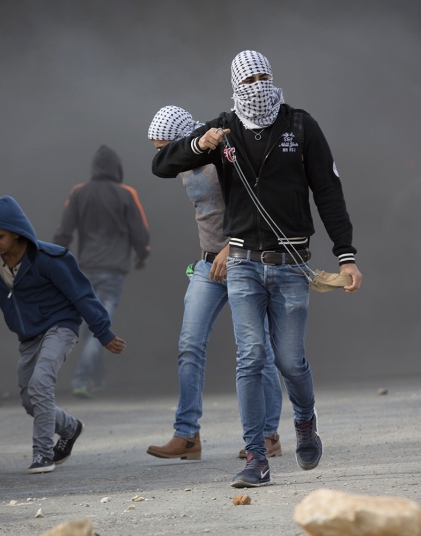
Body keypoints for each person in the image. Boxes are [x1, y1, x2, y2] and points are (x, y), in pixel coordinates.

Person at [152, 50, 363, 488]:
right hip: (244, 266)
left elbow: (328, 191)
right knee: (250, 357)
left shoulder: (301, 126)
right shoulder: (224, 129)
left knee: (290, 361)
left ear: (274, 76)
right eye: (248, 80)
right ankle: (256, 458)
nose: (257, 86)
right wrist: (198, 144)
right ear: (235, 85)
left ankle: (304, 422)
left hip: (291, 265)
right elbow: (160, 164)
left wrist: (346, 254)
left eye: (263, 76)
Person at [0, 195, 126, 474]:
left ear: (17, 235)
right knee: (31, 401)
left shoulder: (50, 259)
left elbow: (82, 295)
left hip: (60, 327)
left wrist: (103, 332)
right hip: (29, 337)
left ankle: (43, 455)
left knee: (41, 384)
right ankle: (70, 427)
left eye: (0, 236)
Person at [145, 105, 284, 461]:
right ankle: (187, 435)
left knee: (257, 351)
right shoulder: (181, 164)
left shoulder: (223, 154)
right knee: (189, 344)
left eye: (164, 146)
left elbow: (256, 206)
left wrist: (231, 246)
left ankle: (269, 435)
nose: (163, 155)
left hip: (244, 261)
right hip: (208, 267)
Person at [53, 145, 150, 398]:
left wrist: (55, 260)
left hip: (84, 271)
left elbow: (64, 230)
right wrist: (143, 255)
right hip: (113, 271)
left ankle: (95, 379)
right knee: (99, 326)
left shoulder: (78, 193)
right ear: (117, 169)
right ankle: (82, 380)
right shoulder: (126, 194)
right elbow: (140, 232)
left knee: (90, 325)